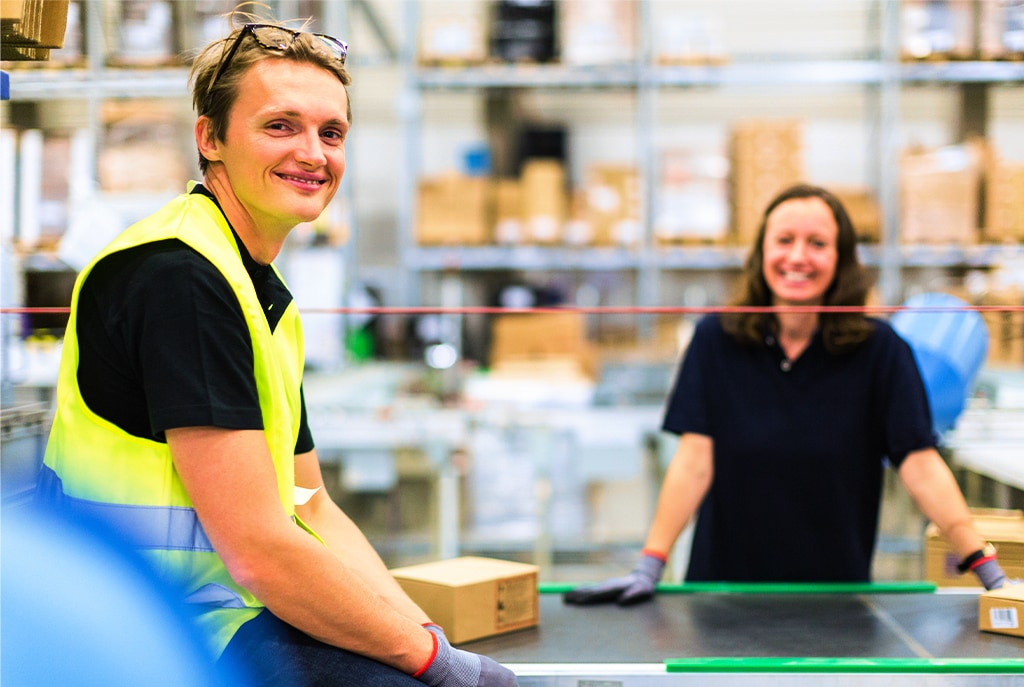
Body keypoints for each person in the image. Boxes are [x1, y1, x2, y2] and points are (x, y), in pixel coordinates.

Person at [37, 10, 518, 687]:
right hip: (152, 630)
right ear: (211, 139)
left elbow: (311, 503)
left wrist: (422, 634)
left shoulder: (253, 286)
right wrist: (438, 666)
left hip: (225, 615)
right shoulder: (179, 278)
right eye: (280, 126)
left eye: (332, 132)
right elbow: (261, 550)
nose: (313, 154)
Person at [565, 183, 1010, 605]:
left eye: (817, 243)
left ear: (841, 259)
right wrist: (650, 565)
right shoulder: (716, 340)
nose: (798, 256)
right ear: (761, 252)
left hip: (836, 599)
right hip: (721, 596)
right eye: (784, 240)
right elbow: (693, 461)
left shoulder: (880, 351)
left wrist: (987, 568)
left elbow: (919, 463)